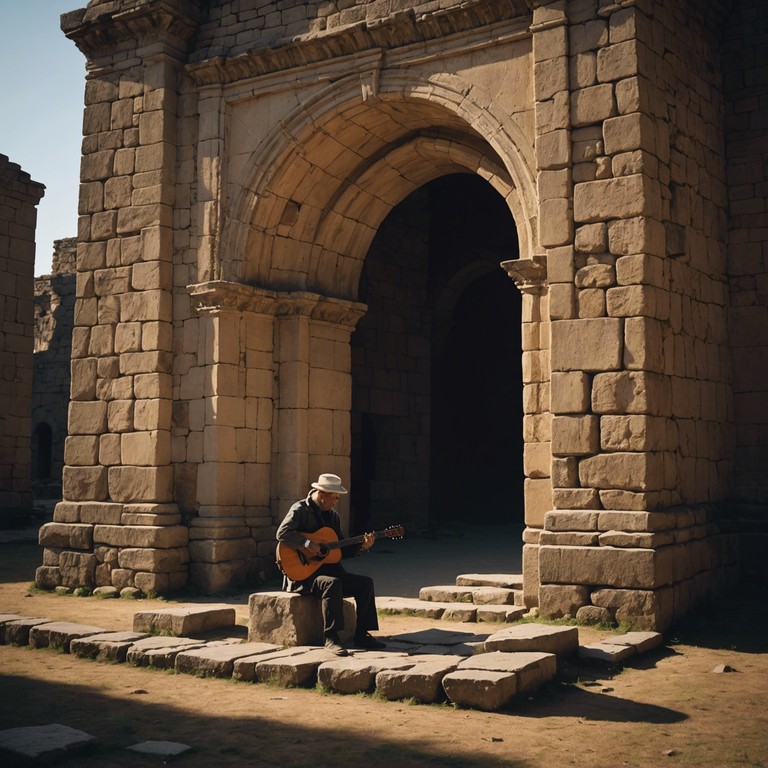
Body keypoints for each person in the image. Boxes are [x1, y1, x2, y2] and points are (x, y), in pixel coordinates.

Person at [276, 473, 386, 656]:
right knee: (332, 583)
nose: (336, 502)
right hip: (304, 575)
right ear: (322, 494)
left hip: (330, 570)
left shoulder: (332, 517)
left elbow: (340, 549)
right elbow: (282, 533)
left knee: (365, 584)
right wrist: (306, 544)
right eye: (334, 497)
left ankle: (362, 634)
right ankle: (331, 638)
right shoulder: (300, 509)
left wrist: (362, 546)